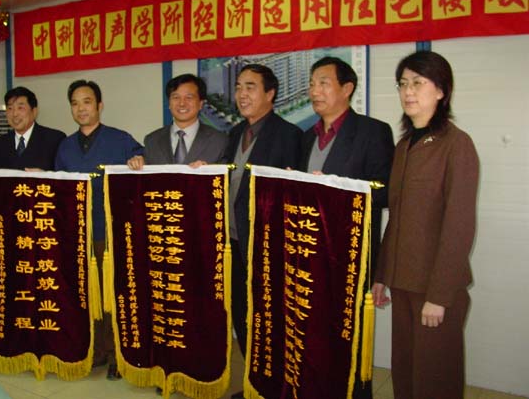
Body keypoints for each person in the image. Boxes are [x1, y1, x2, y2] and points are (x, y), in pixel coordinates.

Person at [372, 51, 479, 399]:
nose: (408, 91)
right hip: (403, 281)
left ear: (441, 91)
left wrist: (440, 296)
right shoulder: (404, 146)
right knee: (405, 371)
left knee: (435, 378)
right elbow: (397, 217)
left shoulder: (456, 144)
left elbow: (459, 225)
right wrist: (381, 275)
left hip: (434, 288)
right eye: (403, 83)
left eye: (418, 83)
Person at [299, 56, 394, 399]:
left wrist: (338, 187)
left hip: (350, 254)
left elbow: (386, 191)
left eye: (323, 83)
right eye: (312, 84)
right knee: (313, 334)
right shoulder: (305, 138)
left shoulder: (372, 132)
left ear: (347, 88)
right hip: (308, 252)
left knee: (347, 338)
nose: (315, 91)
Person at [55, 80, 143, 380]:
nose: (81, 108)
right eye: (75, 103)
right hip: (78, 234)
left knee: (113, 296)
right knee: (85, 296)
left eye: (87, 101)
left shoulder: (120, 140)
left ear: (99, 105)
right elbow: (59, 188)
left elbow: (143, 163)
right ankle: (96, 350)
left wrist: (139, 161)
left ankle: (119, 355)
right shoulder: (65, 146)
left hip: (110, 233)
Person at [224, 64, 302, 399]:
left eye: (250, 87)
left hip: (269, 249)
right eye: (239, 87)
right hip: (233, 244)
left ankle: (277, 388)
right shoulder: (233, 134)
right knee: (243, 319)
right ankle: (255, 384)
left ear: (270, 94)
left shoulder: (290, 135)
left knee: (270, 321)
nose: (242, 94)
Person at [0, 86, 65, 187]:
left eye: (20, 108)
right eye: (10, 108)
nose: (14, 114)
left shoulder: (55, 139)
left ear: (34, 111)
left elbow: (66, 182)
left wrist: (45, 177)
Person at [127, 73, 227, 169]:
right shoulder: (152, 141)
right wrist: (137, 164)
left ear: (201, 104)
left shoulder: (219, 141)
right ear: (169, 104)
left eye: (189, 97)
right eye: (176, 97)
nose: (182, 103)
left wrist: (208, 173)